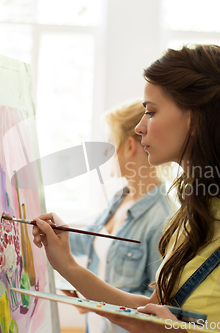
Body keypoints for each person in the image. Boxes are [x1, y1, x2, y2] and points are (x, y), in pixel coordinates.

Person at [32, 44, 220, 333]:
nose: (139, 127)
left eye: (150, 112)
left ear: (195, 118)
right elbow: (146, 317)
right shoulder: (194, 215)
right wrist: (67, 265)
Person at [64, 100, 172, 333]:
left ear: (130, 147)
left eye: (111, 144)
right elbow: (86, 240)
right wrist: (50, 227)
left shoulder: (164, 219)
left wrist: (95, 301)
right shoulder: (119, 198)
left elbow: (157, 304)